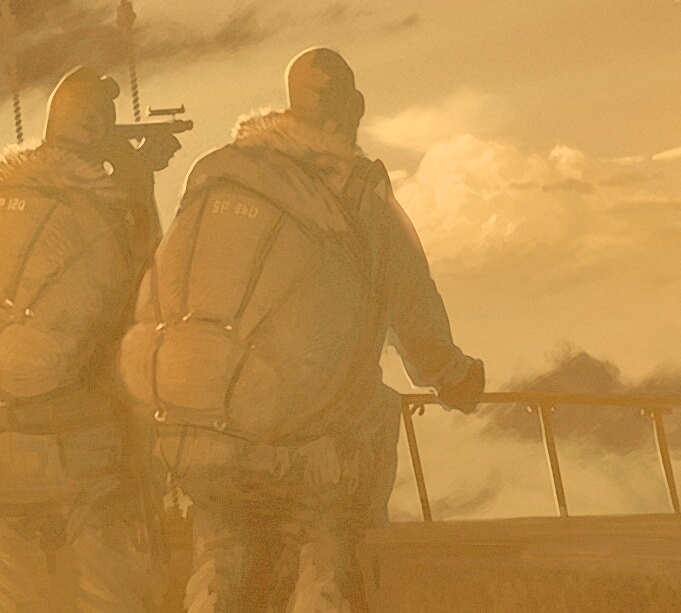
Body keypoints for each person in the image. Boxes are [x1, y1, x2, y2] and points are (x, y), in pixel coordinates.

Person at [121, 48, 484, 613]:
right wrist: (455, 378)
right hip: (306, 450)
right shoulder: (357, 192)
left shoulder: (222, 175)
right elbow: (414, 314)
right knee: (330, 529)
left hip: (198, 432)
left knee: (221, 548)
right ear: (350, 109)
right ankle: (323, 584)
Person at [0, 67, 181, 612]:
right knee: (114, 593)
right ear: (99, 133)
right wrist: (138, 182)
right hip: (81, 446)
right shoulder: (104, 212)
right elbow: (147, 296)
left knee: (17, 594)